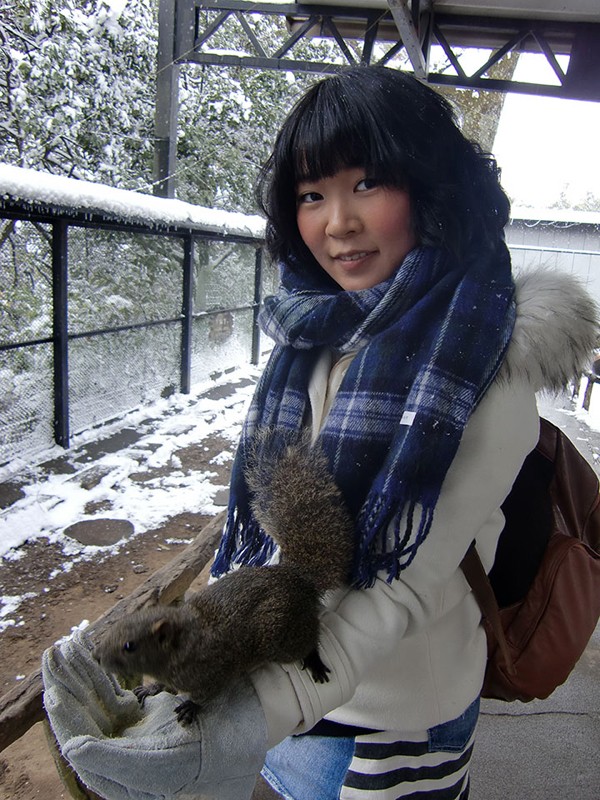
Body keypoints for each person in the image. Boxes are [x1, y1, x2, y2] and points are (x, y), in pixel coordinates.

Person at [42, 66, 598, 800]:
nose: (337, 221)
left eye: (367, 184)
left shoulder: (487, 365)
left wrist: (250, 714)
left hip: (395, 720)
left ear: (433, 192)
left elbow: (397, 593)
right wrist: (194, 660)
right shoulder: (315, 332)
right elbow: (275, 529)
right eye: (311, 195)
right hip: (289, 692)